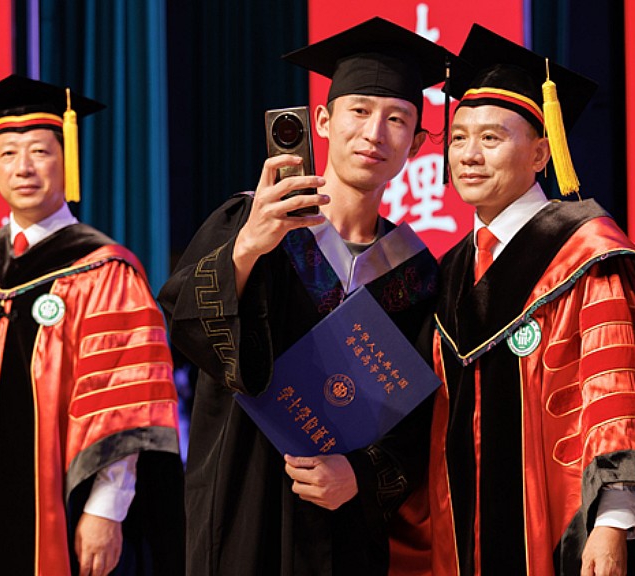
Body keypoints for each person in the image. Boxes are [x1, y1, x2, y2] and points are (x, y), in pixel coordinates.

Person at [157, 17, 452, 576]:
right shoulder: (250, 221)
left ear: (415, 144)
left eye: (396, 119)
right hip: (243, 495)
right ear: (322, 121)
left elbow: (418, 418)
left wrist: (360, 475)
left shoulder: (415, 275)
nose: (374, 133)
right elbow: (186, 330)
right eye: (359, 110)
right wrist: (247, 248)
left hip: (344, 523)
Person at [427, 24, 635, 576]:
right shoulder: (448, 270)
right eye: (458, 139)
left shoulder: (586, 253)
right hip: (457, 543)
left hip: (563, 533)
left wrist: (612, 523)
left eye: (491, 139)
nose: (469, 155)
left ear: (540, 153)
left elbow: (617, 393)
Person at [0, 75, 184, 576]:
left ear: (68, 159)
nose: (24, 167)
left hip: (68, 509)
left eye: (40, 151)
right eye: (8, 154)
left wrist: (106, 509)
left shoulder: (104, 270)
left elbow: (125, 401)